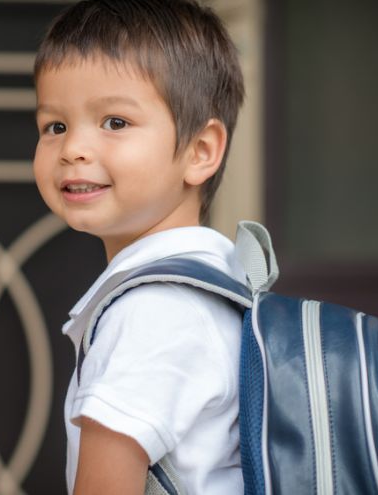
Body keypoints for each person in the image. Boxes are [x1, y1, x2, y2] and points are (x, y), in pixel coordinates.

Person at [32, 0, 246, 493]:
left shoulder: (156, 312)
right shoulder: (215, 285)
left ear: (201, 151)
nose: (72, 149)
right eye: (55, 126)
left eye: (115, 122)